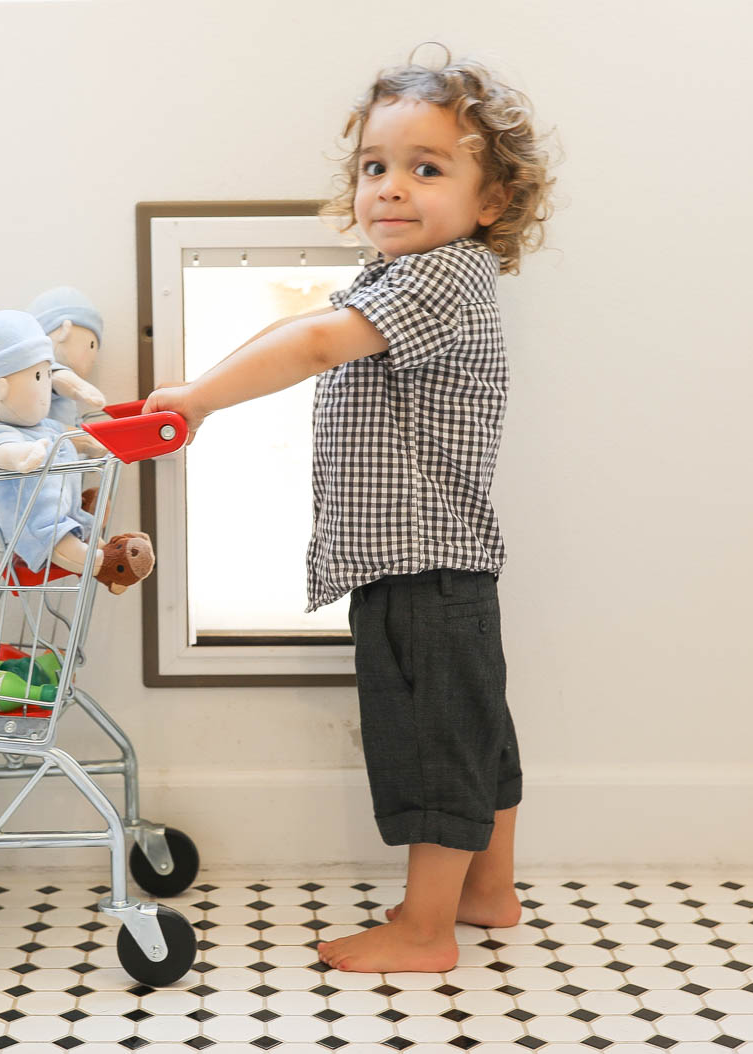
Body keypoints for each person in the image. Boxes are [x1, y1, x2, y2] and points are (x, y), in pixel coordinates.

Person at [143, 47, 555, 973]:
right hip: (434, 561)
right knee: (476, 732)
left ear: (490, 203)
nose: (390, 188)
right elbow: (306, 328)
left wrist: (204, 402)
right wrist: (198, 384)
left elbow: (320, 345)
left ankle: (425, 929)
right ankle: (488, 891)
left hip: (420, 560)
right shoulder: (393, 278)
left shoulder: (444, 276)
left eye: (426, 168)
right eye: (376, 166)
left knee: (432, 747)